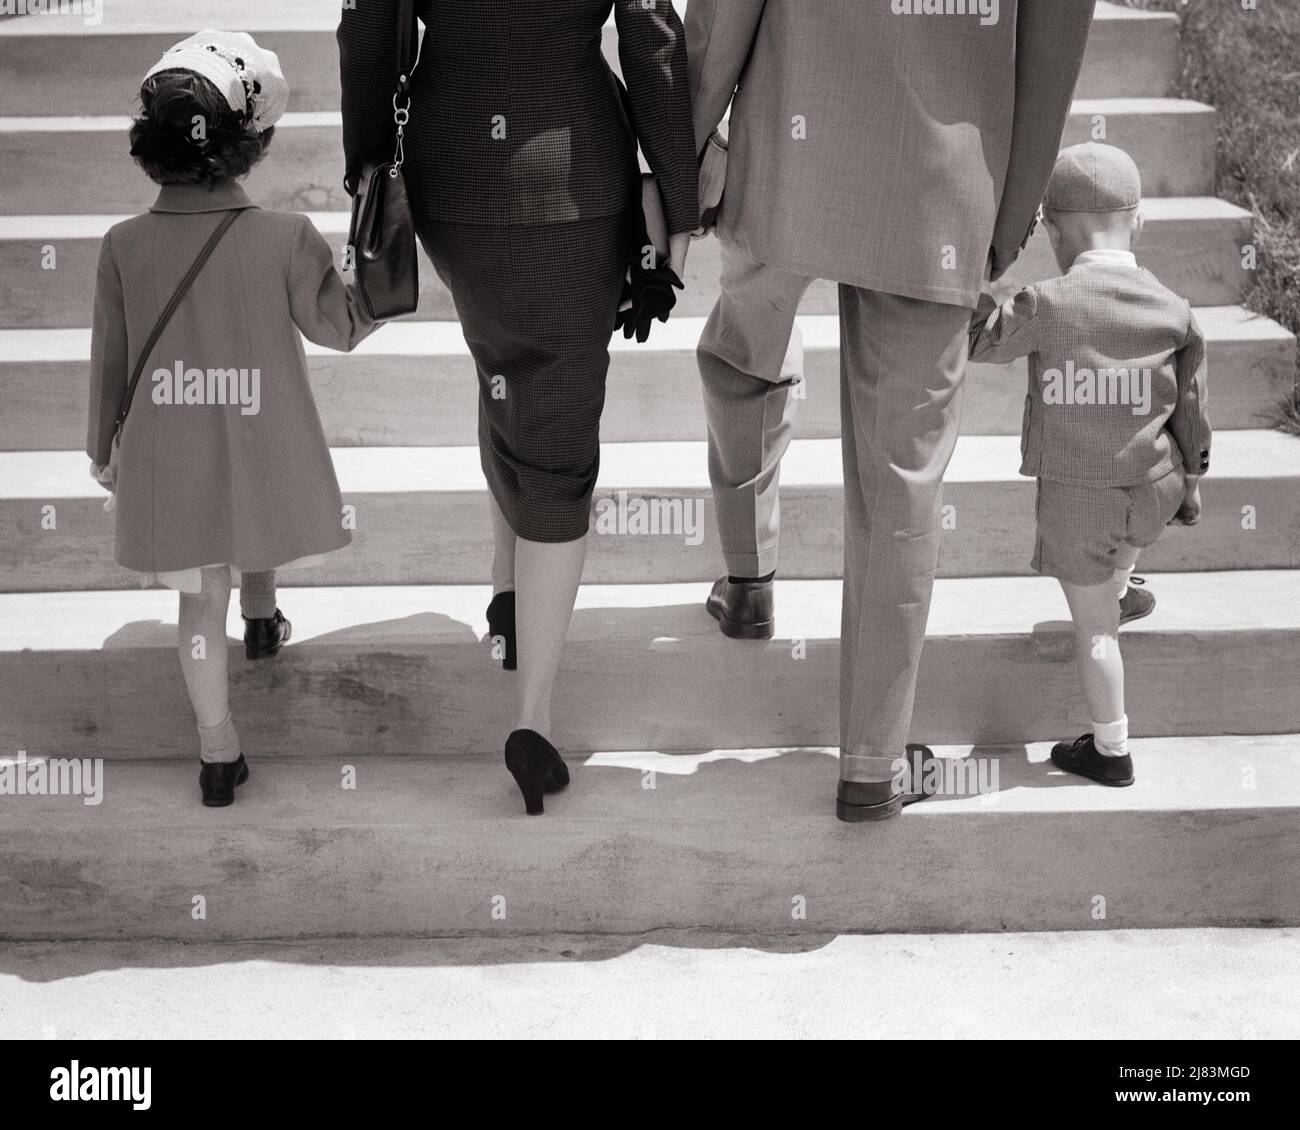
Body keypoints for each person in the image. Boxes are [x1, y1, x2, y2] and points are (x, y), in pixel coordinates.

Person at [685, 0, 1097, 822]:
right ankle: (872, 763)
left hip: (786, 153)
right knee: (902, 474)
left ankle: (747, 575)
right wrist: (1012, 210)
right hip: (938, 187)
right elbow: (1055, 32)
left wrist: (684, 144)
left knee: (742, 351)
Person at [338, 1, 699, 815]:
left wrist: (368, 170)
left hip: (450, 170)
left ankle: (509, 588)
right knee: (558, 438)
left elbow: (368, 28)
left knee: (503, 363)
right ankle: (532, 721)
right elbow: (651, 33)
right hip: (571, 175)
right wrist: (678, 196)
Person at [87, 31, 377, 807]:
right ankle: (262, 615)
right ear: (252, 147)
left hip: (168, 444)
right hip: (258, 429)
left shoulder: (122, 245)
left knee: (195, 597)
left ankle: (218, 752)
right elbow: (339, 328)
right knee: (251, 500)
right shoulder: (286, 239)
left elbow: (111, 360)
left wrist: (98, 446)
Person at [969, 142, 1211, 787]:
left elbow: (978, 340)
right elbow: (1191, 412)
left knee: (1095, 632)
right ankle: (1126, 582)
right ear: (1141, 221)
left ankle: (1110, 750)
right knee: (1130, 527)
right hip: (1156, 488)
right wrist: (1192, 483)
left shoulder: (1045, 302)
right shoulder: (1174, 309)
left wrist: (975, 274)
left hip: (1081, 501)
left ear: (1050, 230)